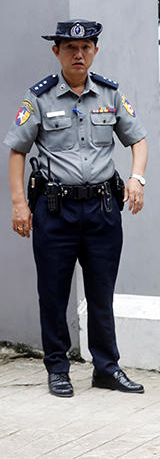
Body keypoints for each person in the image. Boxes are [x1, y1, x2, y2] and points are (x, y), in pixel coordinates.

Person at [4, 19, 148, 397]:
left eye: (85, 48)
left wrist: (137, 178)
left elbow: (139, 140)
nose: (78, 54)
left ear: (95, 50)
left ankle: (107, 367)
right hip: (55, 211)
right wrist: (20, 204)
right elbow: (17, 150)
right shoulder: (39, 98)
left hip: (102, 209)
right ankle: (57, 368)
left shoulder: (110, 95)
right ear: (57, 52)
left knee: (102, 291)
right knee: (52, 292)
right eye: (70, 48)